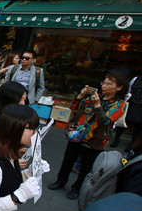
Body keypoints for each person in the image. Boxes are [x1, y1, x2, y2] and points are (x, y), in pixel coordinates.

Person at [48, 68, 128, 199]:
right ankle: (60, 181)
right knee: (67, 160)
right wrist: (81, 95)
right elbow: (75, 108)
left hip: (95, 140)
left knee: (86, 167)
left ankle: (77, 188)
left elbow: (106, 122)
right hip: (78, 134)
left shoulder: (120, 104)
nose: (104, 86)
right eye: (104, 82)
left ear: (119, 87)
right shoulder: (96, 96)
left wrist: (97, 106)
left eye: (109, 84)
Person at [112, 74, 142, 151]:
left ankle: (132, 145)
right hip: (131, 104)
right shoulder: (136, 79)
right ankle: (116, 139)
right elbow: (129, 90)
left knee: (139, 126)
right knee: (123, 121)